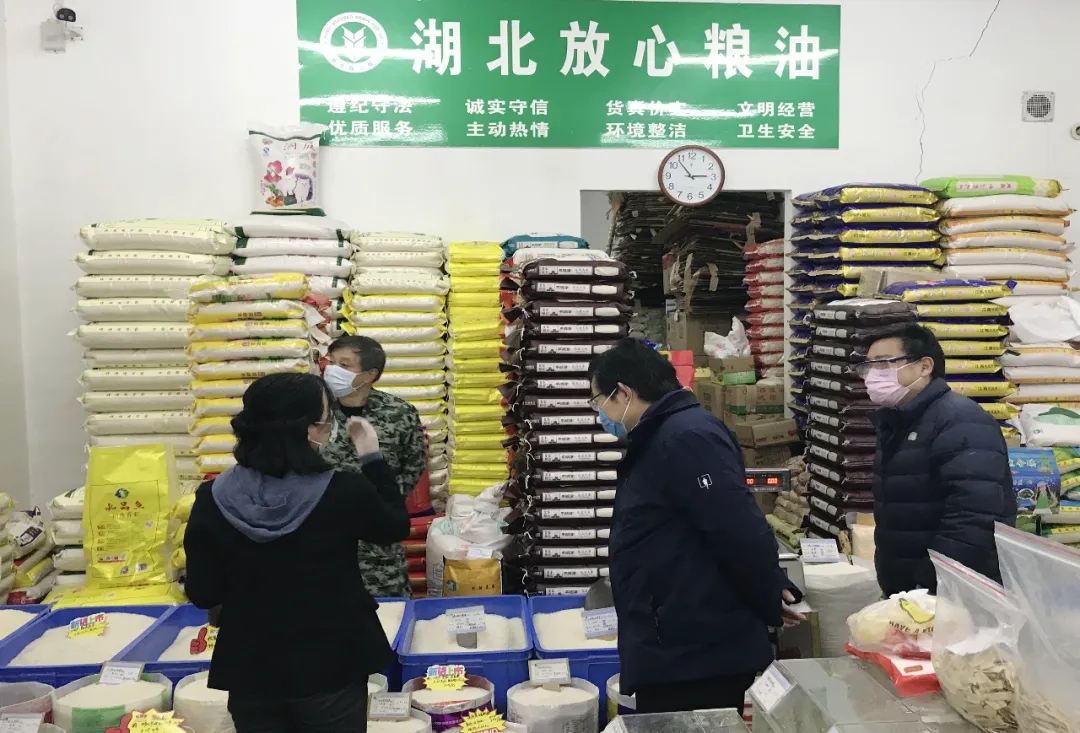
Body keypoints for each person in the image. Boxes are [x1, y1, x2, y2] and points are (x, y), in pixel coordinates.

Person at [588, 338, 803, 715]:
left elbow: (736, 528)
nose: (600, 413)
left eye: (598, 402)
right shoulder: (662, 435)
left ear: (624, 392)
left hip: (694, 650)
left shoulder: (686, 437)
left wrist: (768, 593)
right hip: (677, 640)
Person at [184, 373, 410, 732]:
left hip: (250, 667)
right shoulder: (344, 491)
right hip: (331, 662)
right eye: (326, 421)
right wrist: (372, 457)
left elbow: (203, 592)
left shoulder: (212, 497)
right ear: (309, 430)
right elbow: (394, 527)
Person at [861, 323, 1016, 595]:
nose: (873, 374)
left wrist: (929, 584)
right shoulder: (898, 423)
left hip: (948, 593)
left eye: (884, 363)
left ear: (924, 366)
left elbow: (974, 518)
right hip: (909, 591)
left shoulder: (960, 421)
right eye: (869, 366)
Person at [322, 335, 427, 599]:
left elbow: (413, 465)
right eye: (331, 362)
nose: (332, 371)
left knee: (387, 610)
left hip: (378, 541)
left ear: (369, 375)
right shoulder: (316, 412)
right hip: (324, 535)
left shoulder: (398, 413)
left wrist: (381, 503)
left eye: (344, 365)